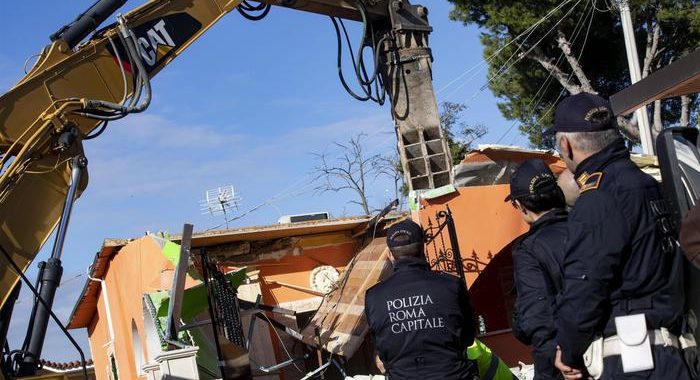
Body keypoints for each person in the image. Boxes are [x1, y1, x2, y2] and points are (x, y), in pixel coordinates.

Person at [550, 93, 689, 379]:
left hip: (634, 362)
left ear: (565, 144)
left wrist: (569, 349)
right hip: (673, 354)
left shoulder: (598, 197)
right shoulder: (646, 184)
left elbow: (584, 286)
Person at [364, 219, 477, 379]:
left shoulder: (374, 296)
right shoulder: (451, 285)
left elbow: (382, 349)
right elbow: (469, 336)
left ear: (390, 254)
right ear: (423, 247)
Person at [507, 159, 568, 379]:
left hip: (562, 363)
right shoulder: (587, 228)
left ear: (520, 205)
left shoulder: (529, 249)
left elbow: (537, 316)